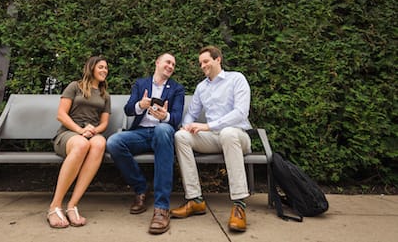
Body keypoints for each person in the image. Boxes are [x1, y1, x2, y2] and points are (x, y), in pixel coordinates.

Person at [170, 45, 253, 232]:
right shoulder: (201, 87)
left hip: (238, 137)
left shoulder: (236, 78)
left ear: (218, 59)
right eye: (200, 63)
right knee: (181, 136)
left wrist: (208, 126)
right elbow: (191, 113)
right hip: (214, 139)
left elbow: (241, 112)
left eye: (206, 61)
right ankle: (195, 200)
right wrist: (188, 125)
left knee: (228, 132)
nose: (202, 66)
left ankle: (239, 205)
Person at [106, 53, 185, 234]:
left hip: (163, 134)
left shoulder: (177, 89)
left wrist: (165, 116)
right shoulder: (141, 84)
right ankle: (141, 189)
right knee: (114, 142)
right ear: (157, 63)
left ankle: (161, 207)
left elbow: (177, 118)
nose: (171, 66)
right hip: (140, 133)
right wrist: (140, 105)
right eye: (168, 62)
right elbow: (128, 110)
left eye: (173, 64)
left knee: (163, 129)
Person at [47, 56, 111, 228]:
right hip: (69, 134)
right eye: (101, 67)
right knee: (82, 144)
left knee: (99, 144)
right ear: (91, 68)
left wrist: (93, 131)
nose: (105, 70)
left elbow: (104, 123)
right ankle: (54, 206)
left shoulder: (105, 95)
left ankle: (72, 205)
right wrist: (80, 130)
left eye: (106, 68)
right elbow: (61, 114)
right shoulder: (75, 87)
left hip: (91, 133)